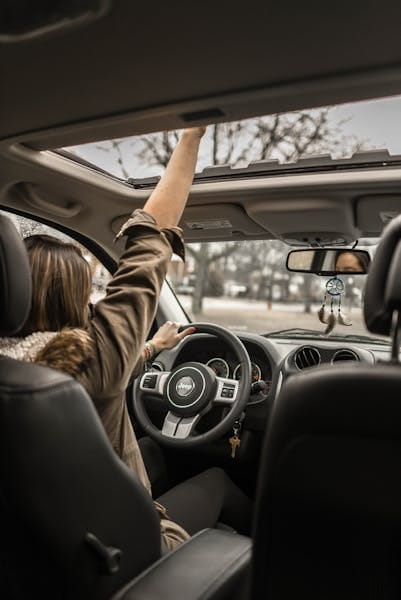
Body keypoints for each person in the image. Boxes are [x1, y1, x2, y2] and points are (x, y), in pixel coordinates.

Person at [0, 127, 252, 551]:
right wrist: (192, 135)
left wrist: (153, 348)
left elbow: (116, 368)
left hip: (42, 554)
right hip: (134, 552)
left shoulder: (19, 378)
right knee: (219, 481)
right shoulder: (92, 363)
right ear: (75, 302)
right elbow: (150, 242)